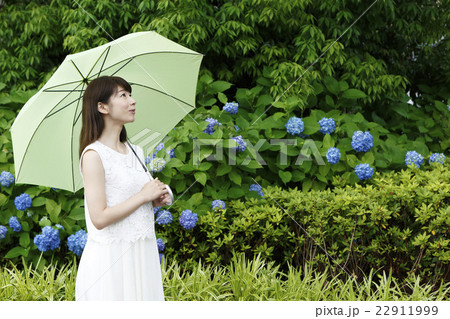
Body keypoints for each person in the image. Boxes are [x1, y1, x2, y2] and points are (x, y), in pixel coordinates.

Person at [75, 76, 169, 301]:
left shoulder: (135, 150)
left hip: (142, 254)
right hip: (112, 260)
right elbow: (99, 217)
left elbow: (135, 196)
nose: (132, 101)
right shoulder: (93, 155)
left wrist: (155, 198)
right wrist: (143, 196)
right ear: (102, 107)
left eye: (130, 94)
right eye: (123, 95)